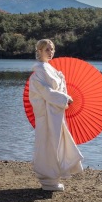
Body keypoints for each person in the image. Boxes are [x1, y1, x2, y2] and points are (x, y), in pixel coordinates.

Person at [28, 38, 84, 191]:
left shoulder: (49, 69)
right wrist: (64, 98)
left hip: (55, 113)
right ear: (39, 51)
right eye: (47, 49)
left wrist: (62, 83)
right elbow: (46, 92)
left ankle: (54, 177)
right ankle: (48, 179)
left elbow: (53, 90)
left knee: (57, 142)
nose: (51, 52)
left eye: (52, 49)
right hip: (46, 115)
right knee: (47, 143)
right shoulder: (39, 71)